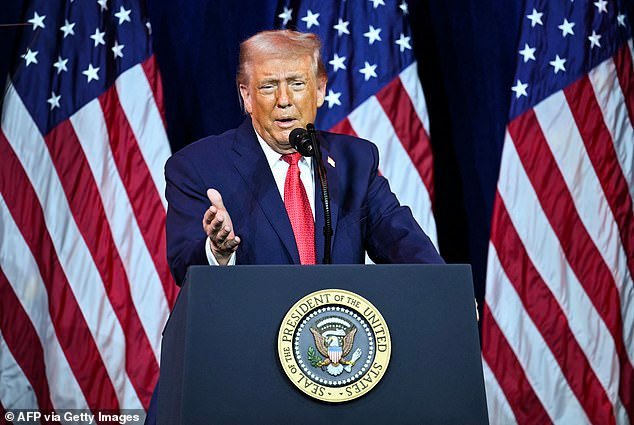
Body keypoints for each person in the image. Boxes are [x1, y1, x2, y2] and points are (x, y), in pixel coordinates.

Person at [164, 29, 443, 286]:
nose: (284, 100)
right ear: (247, 96)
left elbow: (404, 243)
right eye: (268, 86)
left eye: (297, 84)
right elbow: (183, 267)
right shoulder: (198, 166)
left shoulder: (355, 160)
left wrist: (445, 290)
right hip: (252, 323)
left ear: (320, 90)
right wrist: (217, 251)